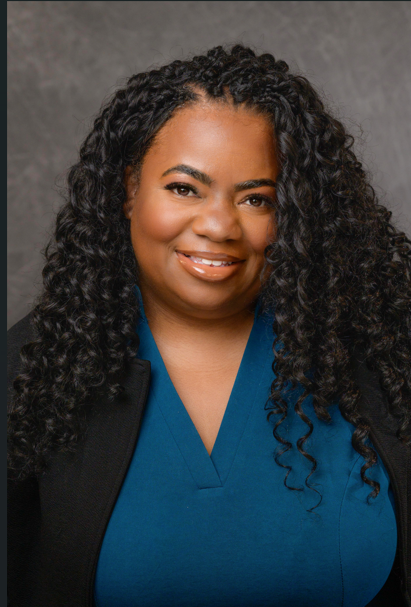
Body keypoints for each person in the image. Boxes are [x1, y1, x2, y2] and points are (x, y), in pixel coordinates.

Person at [7, 44, 410, 607]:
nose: (219, 225)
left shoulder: (381, 354)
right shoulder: (31, 371)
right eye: (184, 188)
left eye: (257, 199)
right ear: (129, 191)